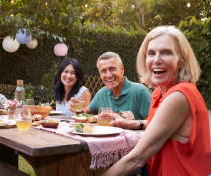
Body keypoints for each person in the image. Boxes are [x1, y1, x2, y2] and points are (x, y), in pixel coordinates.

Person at [102, 26, 211, 176]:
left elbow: (137, 159)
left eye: (167, 52)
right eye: (151, 53)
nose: (157, 59)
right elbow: (167, 125)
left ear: (182, 60)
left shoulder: (179, 95)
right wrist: (135, 123)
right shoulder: (160, 93)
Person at [71, 52, 152, 127]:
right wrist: (79, 110)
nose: (108, 75)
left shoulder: (140, 92)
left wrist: (134, 122)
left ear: (122, 70)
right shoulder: (102, 93)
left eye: (112, 69)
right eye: (103, 71)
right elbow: (86, 112)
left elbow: (156, 126)